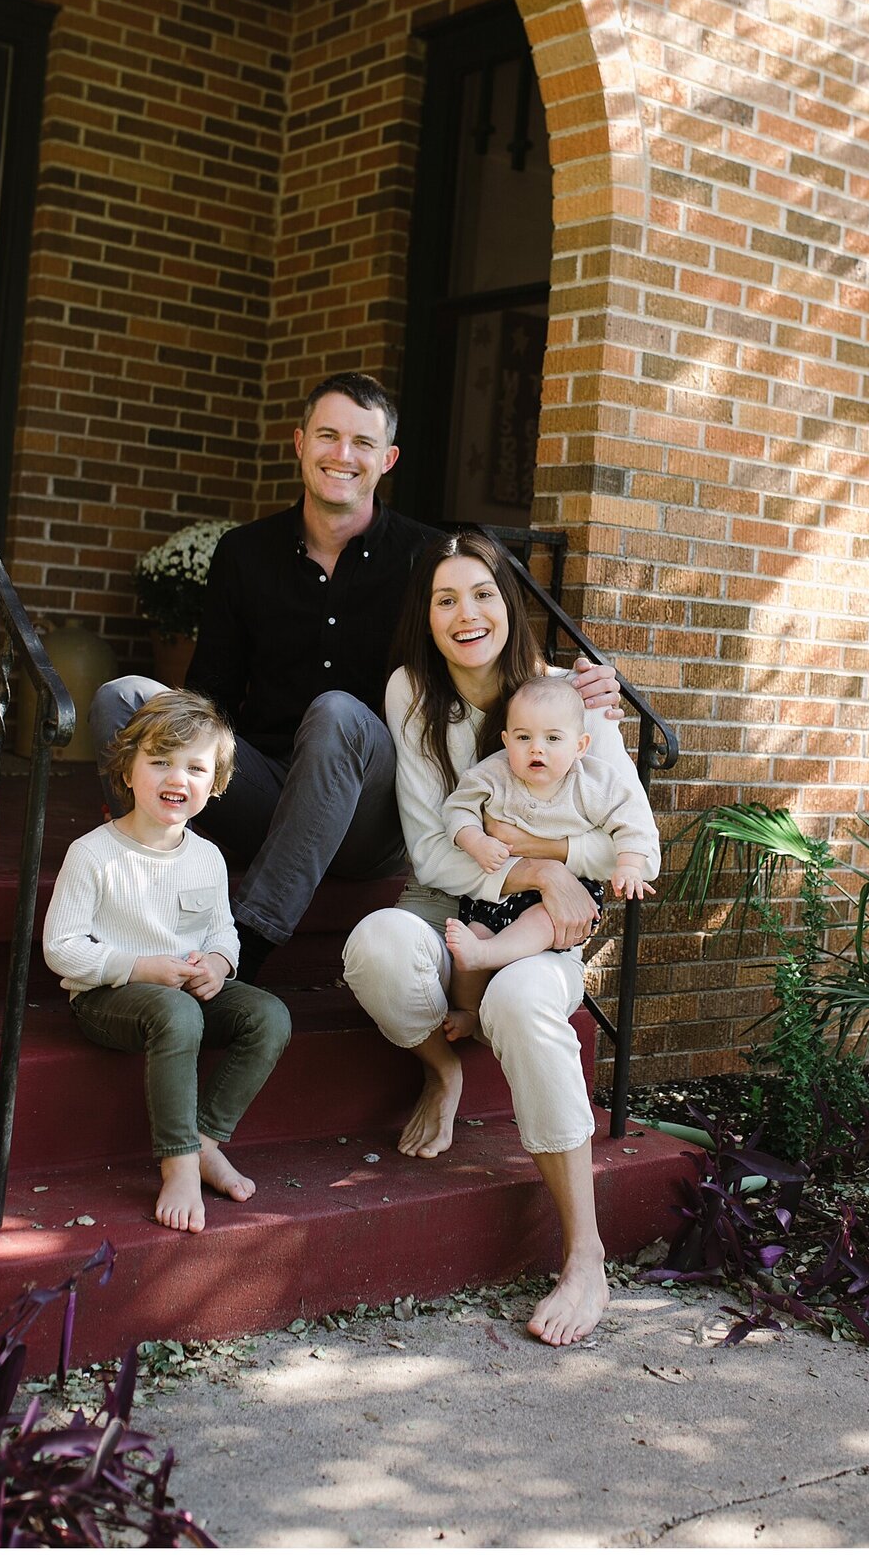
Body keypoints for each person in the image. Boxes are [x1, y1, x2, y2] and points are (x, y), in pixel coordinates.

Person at [90, 370, 623, 980]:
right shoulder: (245, 553)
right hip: (264, 790)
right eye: (328, 436)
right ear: (299, 442)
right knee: (124, 698)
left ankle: (247, 945)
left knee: (338, 711)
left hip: (372, 810)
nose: (343, 455)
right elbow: (205, 696)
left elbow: (486, 646)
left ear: (388, 458)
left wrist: (569, 681)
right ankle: (144, 874)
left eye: (363, 443)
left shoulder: (427, 558)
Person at [342, 530, 660, 1347]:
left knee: (521, 999)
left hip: (549, 925)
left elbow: (617, 831)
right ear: (428, 613)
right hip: (448, 893)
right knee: (375, 946)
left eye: (482, 593)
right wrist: (530, 871)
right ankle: (442, 1069)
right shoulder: (412, 692)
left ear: (509, 604)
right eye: (446, 598)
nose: (466, 613)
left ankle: (584, 1254)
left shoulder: (571, 696)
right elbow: (431, 848)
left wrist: (550, 866)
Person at [42, 690, 291, 1233]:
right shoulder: (93, 854)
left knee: (268, 1015)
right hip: (108, 997)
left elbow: (223, 930)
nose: (177, 778)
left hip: (185, 991)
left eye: (195, 768)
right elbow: (61, 948)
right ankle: (177, 1163)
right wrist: (138, 967)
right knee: (178, 1015)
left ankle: (204, 1141)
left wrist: (220, 964)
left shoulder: (207, 857)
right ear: (127, 770)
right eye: (160, 761)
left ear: (214, 785)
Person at [440, 673, 657, 1042]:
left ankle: (488, 953)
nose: (536, 749)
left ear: (580, 745)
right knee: (471, 940)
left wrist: (630, 864)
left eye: (553, 739)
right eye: (523, 738)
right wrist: (474, 839)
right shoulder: (494, 774)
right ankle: (468, 1010)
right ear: (506, 740)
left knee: (540, 922)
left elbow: (632, 820)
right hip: (502, 885)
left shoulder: (592, 784)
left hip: (567, 891)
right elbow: (457, 809)